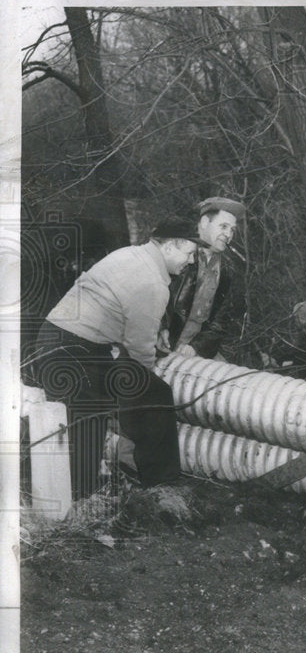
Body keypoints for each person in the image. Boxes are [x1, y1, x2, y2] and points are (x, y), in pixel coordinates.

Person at [31, 216, 201, 500]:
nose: (191, 261)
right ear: (170, 246)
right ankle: (98, 497)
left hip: (57, 339)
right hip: (73, 349)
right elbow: (139, 350)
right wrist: (140, 382)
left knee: (101, 411)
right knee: (134, 401)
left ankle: (93, 489)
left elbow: (121, 310)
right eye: (190, 252)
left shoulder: (130, 254)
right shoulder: (154, 283)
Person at [158, 196, 246, 359]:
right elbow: (150, 297)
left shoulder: (228, 268)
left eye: (232, 230)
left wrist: (197, 347)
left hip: (195, 352)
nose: (228, 234)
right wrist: (160, 332)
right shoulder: (177, 253)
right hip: (161, 344)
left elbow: (221, 320)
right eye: (224, 226)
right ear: (204, 222)